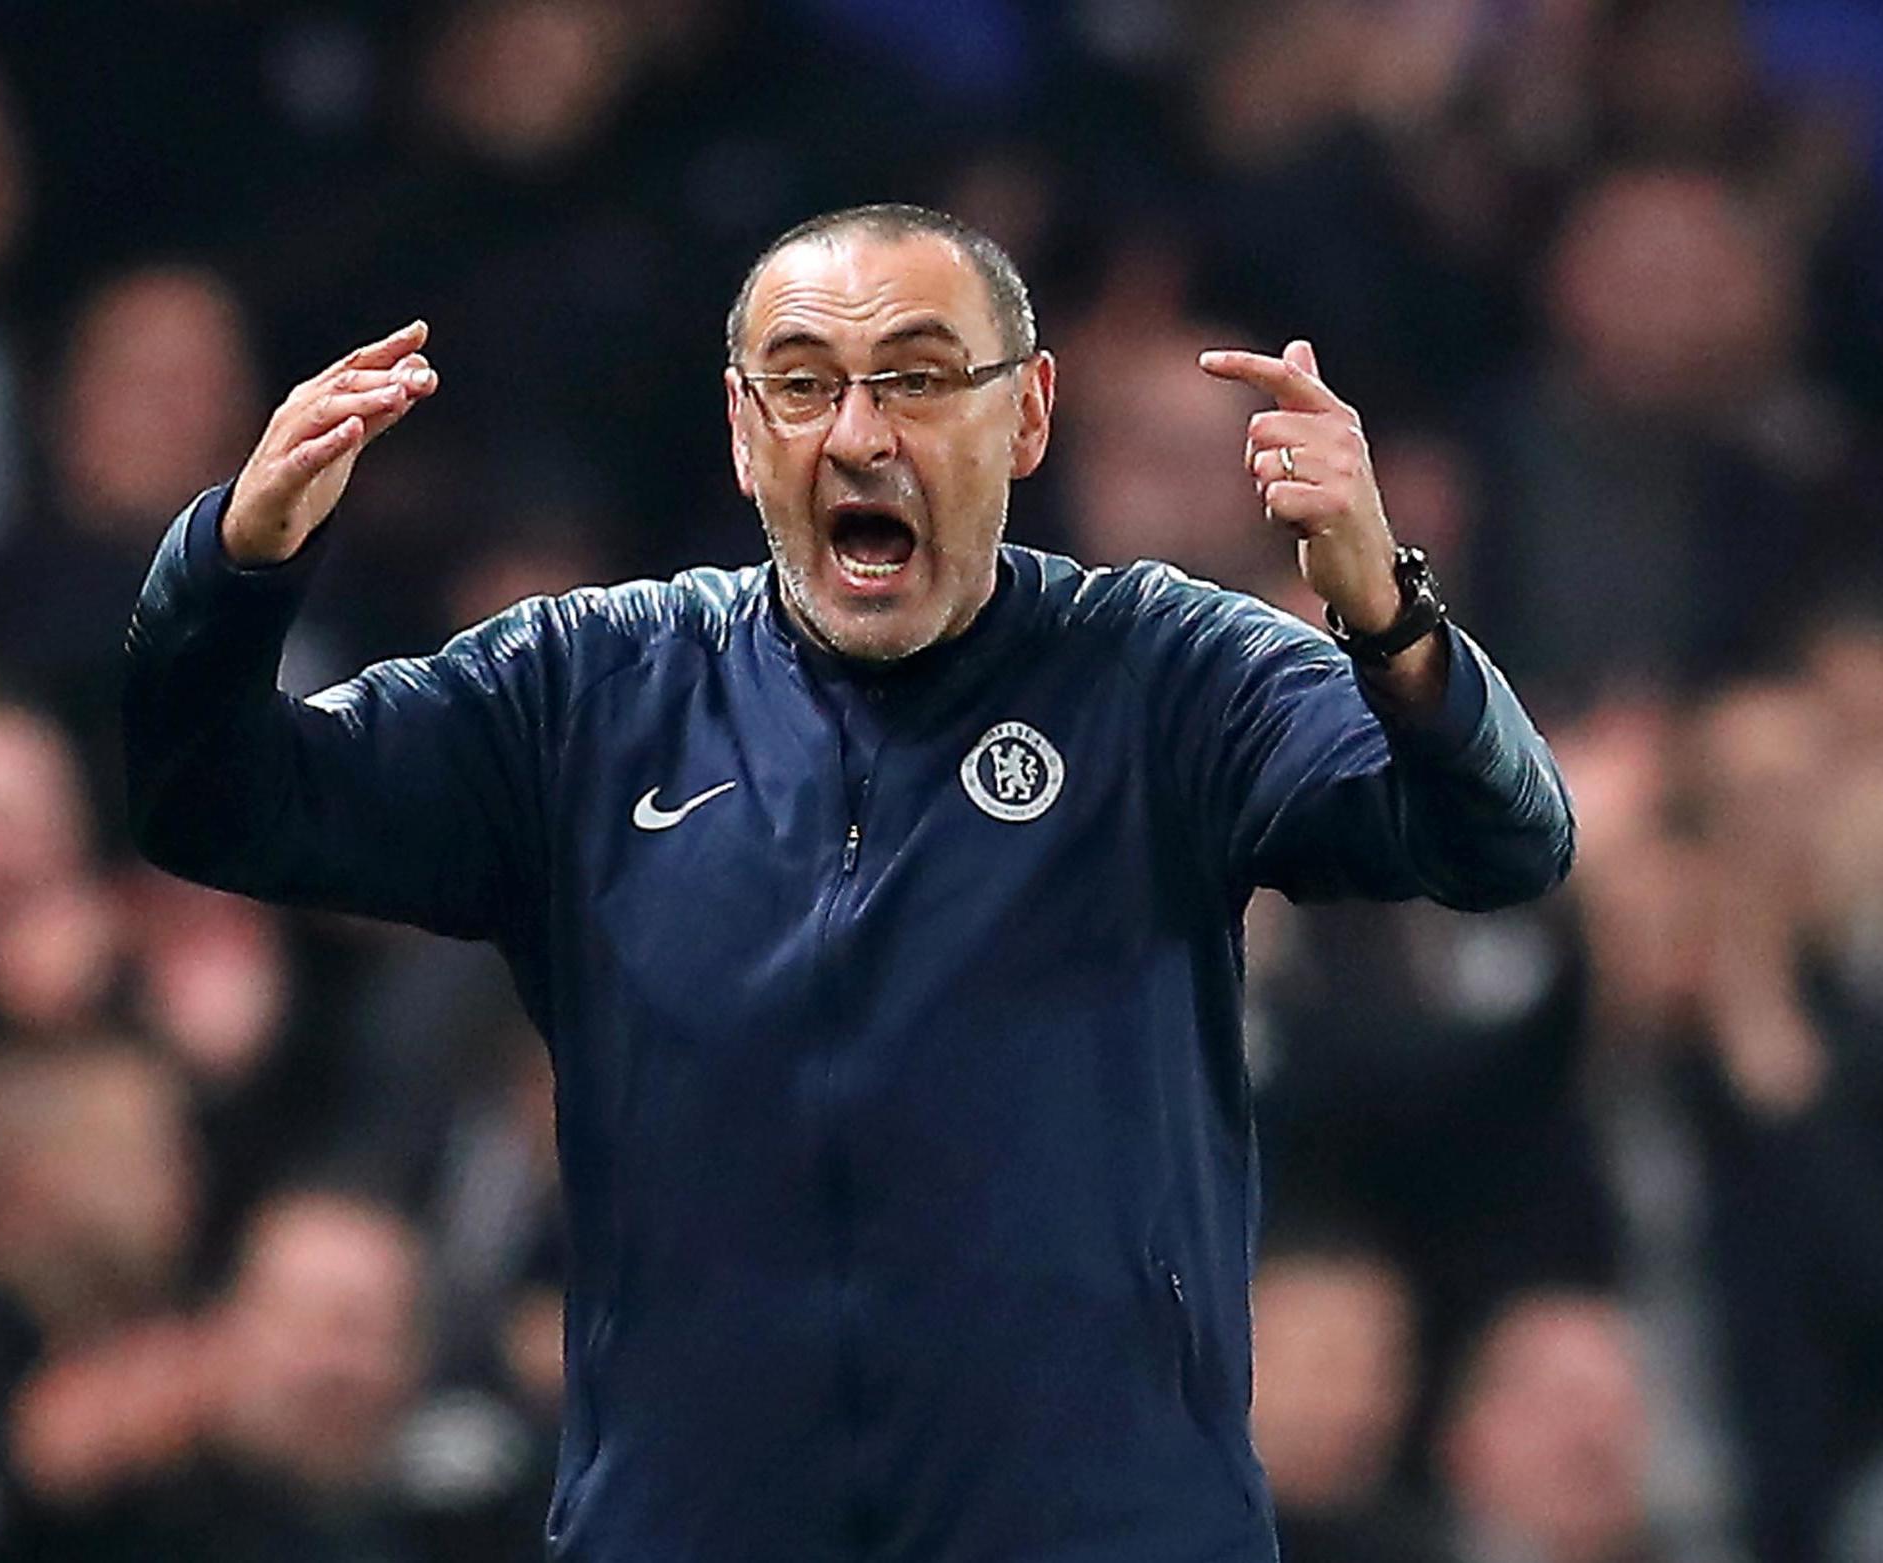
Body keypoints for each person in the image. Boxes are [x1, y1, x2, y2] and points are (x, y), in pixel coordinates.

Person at [123, 203, 1573, 1563]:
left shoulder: (1169, 673)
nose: (861, 432)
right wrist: (232, 567)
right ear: (746, 435)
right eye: (804, 385)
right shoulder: (582, 694)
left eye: (921, 381)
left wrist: (1386, 607)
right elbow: (218, 810)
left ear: (1029, 415)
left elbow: (1503, 836)